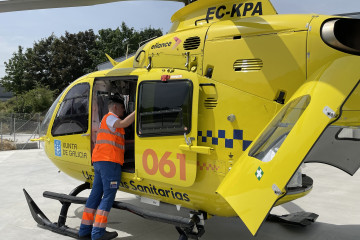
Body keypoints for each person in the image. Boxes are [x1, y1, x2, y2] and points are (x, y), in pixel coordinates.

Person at [78, 95, 135, 240]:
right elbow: (123, 124)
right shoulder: (109, 118)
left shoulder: (107, 120)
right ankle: (98, 233)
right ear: (115, 107)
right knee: (108, 196)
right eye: (122, 108)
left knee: (95, 195)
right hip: (109, 162)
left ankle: (85, 229)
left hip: (100, 161)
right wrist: (138, 111)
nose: (123, 111)